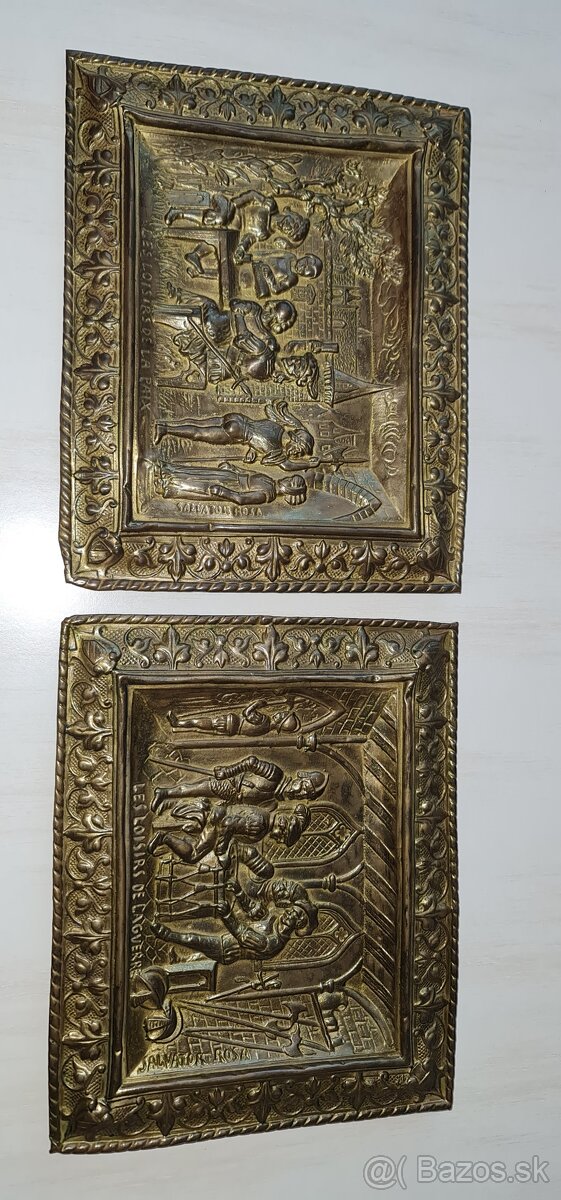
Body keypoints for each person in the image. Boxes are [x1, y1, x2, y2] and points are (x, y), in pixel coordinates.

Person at [151, 875, 318, 964]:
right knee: (202, 951)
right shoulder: (274, 918)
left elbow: (243, 936)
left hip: (228, 949)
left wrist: (228, 915)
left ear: (299, 924)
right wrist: (238, 892)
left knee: (193, 938)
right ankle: (180, 960)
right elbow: (254, 910)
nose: (289, 913)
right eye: (292, 910)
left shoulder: (273, 943)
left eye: (295, 915)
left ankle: (165, 935)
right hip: (227, 939)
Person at [147, 798, 312, 874]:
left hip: (219, 817)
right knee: (193, 855)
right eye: (282, 838)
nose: (279, 840)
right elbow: (228, 824)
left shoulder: (265, 813)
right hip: (217, 823)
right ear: (281, 827)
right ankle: (164, 837)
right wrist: (221, 852)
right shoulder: (260, 826)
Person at [155, 401, 315, 472]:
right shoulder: (275, 449)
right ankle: (166, 429)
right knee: (198, 434)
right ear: (295, 440)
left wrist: (253, 450)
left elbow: (258, 440)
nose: (298, 454)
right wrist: (308, 464)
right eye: (300, 450)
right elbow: (287, 466)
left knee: (198, 422)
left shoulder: (278, 426)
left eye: (300, 454)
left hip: (237, 418)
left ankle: (166, 424)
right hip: (235, 433)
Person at [152, 756, 327, 811]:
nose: (301, 793)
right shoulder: (275, 774)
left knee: (198, 803)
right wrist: (228, 771)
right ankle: (164, 792)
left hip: (230, 800)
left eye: (306, 795)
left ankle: (167, 802)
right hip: (231, 784)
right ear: (300, 777)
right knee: (195, 789)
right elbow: (251, 762)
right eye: (304, 787)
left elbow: (247, 809)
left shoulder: (272, 804)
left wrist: (229, 806)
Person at [159, 462, 307, 508]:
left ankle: (168, 484)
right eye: (290, 477)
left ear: (289, 490)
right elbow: (248, 473)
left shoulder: (266, 494)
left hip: (230, 487)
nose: (287, 478)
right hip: (230, 476)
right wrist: (233, 468)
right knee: (199, 473)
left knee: (197, 485)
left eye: (290, 482)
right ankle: (168, 471)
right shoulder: (269, 480)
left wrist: (222, 492)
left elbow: (240, 499)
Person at [251, 252, 323, 298]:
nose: (302, 266)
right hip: (259, 263)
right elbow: (271, 254)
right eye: (305, 261)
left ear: (306, 276)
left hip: (262, 279)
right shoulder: (290, 256)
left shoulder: (292, 278)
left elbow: (276, 290)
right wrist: (255, 256)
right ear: (305, 257)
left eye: (305, 270)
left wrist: (269, 276)